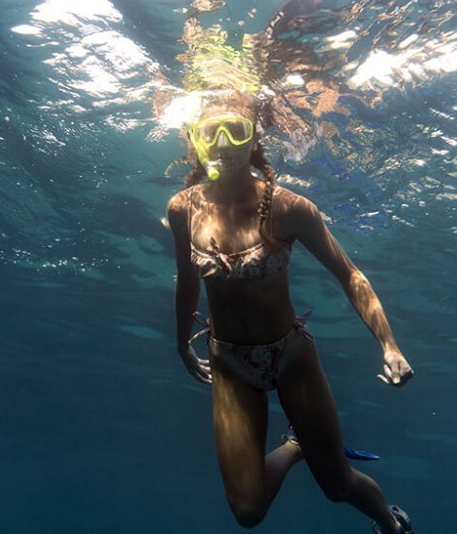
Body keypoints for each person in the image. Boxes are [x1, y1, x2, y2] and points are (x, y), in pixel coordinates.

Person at [166, 90, 415, 533]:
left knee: (336, 486)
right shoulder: (184, 208)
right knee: (247, 511)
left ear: (254, 140)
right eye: (211, 132)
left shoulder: (287, 206)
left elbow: (351, 276)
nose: (223, 142)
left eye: (236, 130)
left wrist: (390, 345)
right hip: (229, 361)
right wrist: (183, 345)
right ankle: (295, 447)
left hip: (291, 355)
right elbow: (187, 281)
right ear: (196, 141)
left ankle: (390, 524)